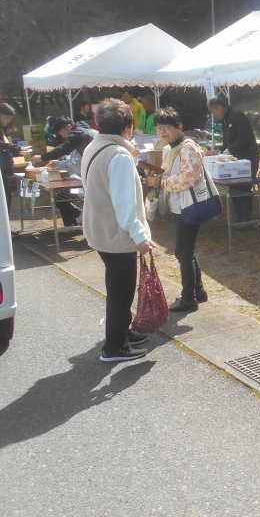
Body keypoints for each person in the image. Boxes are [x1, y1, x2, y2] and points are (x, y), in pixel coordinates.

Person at [81, 98, 153, 362]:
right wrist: (140, 237)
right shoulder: (118, 156)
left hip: (99, 229)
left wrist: (128, 153)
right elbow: (126, 206)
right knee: (121, 293)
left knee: (118, 287)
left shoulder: (95, 146)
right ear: (128, 126)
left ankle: (122, 333)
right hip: (116, 234)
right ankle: (114, 347)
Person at [146, 107, 208, 312]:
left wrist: (161, 182)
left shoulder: (188, 148)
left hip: (188, 206)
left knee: (182, 252)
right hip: (179, 205)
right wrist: (156, 177)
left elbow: (191, 178)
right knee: (186, 250)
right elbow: (170, 173)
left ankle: (188, 298)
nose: (162, 132)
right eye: (158, 128)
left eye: (166, 127)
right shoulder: (170, 148)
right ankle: (198, 291)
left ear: (179, 127)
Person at [35, 112, 99, 226]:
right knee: (60, 198)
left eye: (62, 132)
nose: (63, 136)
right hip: (94, 175)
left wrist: (42, 157)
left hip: (89, 180)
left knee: (59, 199)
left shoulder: (78, 134)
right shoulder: (85, 132)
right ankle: (73, 223)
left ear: (69, 126)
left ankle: (76, 222)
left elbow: (63, 149)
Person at [206, 95, 260, 226]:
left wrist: (229, 150)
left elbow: (244, 137)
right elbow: (226, 139)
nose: (213, 115)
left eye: (213, 112)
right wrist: (222, 152)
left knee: (244, 187)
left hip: (248, 157)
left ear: (220, 107)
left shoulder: (237, 115)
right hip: (235, 159)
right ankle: (239, 216)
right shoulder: (225, 119)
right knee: (233, 187)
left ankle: (246, 219)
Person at [0, 103, 22, 219]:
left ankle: (6, 224)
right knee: (4, 198)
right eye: (7, 117)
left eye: (11, 118)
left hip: (5, 169)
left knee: (7, 197)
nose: (8, 120)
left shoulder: (3, 129)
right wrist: (12, 147)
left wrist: (15, 150)